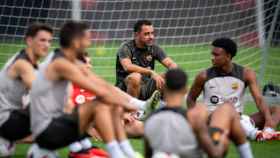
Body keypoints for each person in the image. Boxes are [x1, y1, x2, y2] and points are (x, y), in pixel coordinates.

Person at [29, 21, 156, 158]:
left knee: (109, 105)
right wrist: (127, 106)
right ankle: (118, 154)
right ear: (76, 42)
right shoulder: (60, 64)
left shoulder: (70, 60)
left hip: (60, 123)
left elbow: (103, 85)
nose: (89, 43)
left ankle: (122, 152)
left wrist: (136, 105)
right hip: (46, 130)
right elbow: (100, 91)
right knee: (100, 105)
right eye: (87, 39)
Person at [144, 68, 253, 158]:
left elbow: (148, 154)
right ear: (185, 89)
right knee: (227, 110)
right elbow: (214, 154)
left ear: (164, 88)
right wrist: (223, 138)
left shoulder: (150, 119)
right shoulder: (193, 118)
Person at [187, 37, 280, 140]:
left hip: (240, 118)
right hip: (213, 121)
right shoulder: (203, 76)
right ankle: (255, 134)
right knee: (228, 114)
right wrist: (198, 120)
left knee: (276, 110)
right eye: (212, 54)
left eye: (216, 55)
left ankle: (268, 131)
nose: (212, 57)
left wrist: (268, 120)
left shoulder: (246, 74)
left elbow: (258, 99)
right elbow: (191, 98)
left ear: (228, 56)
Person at [0, 23, 53, 156]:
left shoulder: (31, 62)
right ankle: (80, 150)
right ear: (29, 41)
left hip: (11, 116)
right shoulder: (23, 64)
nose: (47, 45)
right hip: (4, 120)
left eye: (49, 41)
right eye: (42, 40)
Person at [116, 20, 177, 100]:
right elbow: (127, 66)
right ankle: (133, 111)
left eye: (152, 33)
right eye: (147, 34)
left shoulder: (154, 48)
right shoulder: (126, 47)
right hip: (125, 90)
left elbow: (171, 64)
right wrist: (150, 72)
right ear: (136, 34)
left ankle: (164, 108)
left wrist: (174, 72)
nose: (151, 37)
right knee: (135, 77)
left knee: (169, 76)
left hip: (146, 87)